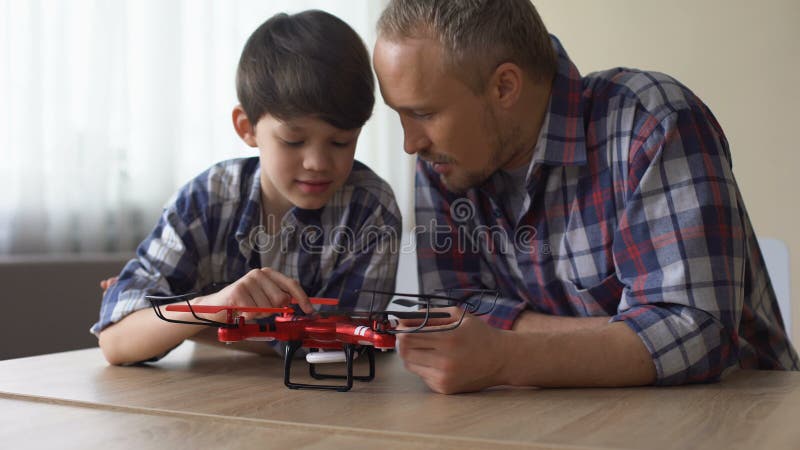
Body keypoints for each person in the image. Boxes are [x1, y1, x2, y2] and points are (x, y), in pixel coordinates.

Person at [373, 0, 799, 393]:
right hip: (551, 422)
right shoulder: (447, 159)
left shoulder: (652, 123)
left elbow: (694, 333)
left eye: (424, 113)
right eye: (400, 115)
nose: (411, 143)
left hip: (739, 417)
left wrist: (505, 355)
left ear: (504, 87)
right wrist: (620, 334)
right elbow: (454, 314)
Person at [92, 10, 401, 365]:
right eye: (293, 140)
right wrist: (217, 306)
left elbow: (335, 348)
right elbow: (116, 341)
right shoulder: (206, 200)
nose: (317, 162)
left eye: (341, 142)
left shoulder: (370, 210)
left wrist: (197, 318)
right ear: (246, 127)